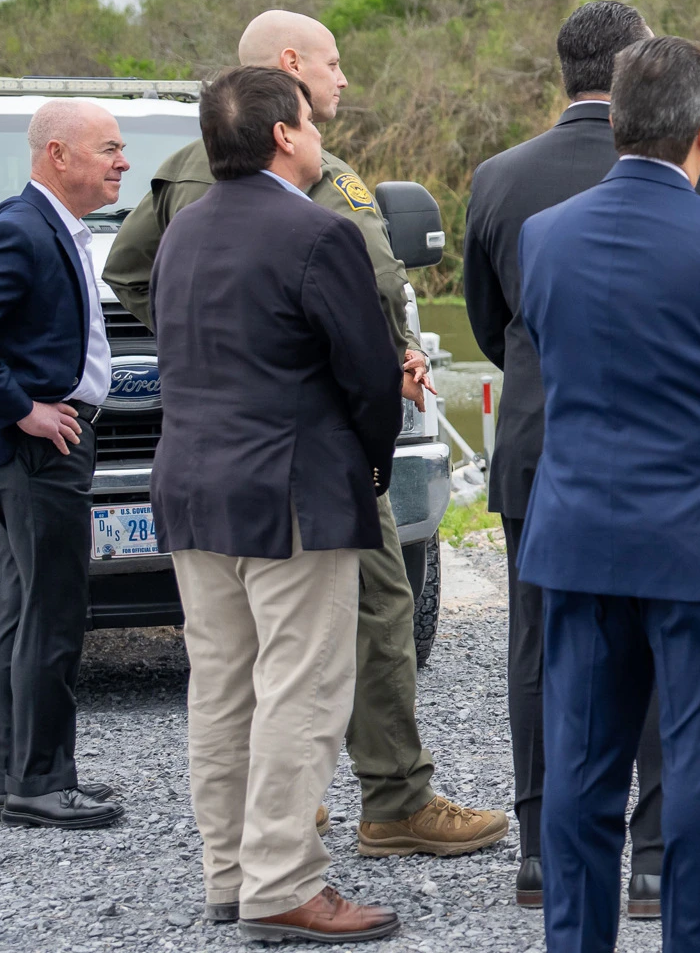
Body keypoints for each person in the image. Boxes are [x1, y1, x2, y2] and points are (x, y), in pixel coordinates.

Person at [104, 11, 505, 860]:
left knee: (235, 661)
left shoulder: (184, 173)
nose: (343, 80)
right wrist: (348, 386)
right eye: (331, 65)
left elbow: (132, 270)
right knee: (355, 625)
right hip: (313, 453)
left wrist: (215, 345)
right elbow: (357, 306)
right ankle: (383, 804)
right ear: (290, 85)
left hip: (215, 457)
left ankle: (266, 833)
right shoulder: (303, 181)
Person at [516, 36, 700, 953]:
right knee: (698, 781)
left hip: (578, 533)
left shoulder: (545, 235)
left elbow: (547, 355)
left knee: (579, 773)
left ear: (614, 123)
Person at [463, 0, 700, 914]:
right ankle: (655, 858)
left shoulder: (498, 178)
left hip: (542, 446)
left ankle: (544, 853)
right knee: (665, 653)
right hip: (670, 458)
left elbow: (492, 326)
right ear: (636, 70)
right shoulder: (696, 171)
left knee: (542, 647)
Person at [151, 67, 402, 942]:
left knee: (221, 687)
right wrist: (371, 467)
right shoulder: (317, 232)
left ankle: (230, 873)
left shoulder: (178, 233)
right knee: (301, 688)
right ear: (287, 135)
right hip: (292, 489)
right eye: (310, 119)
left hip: (191, 484)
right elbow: (369, 375)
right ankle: (284, 883)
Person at [0, 99, 128, 831]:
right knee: (50, 614)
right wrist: (22, 409)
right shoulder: (20, 229)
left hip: (39, 449)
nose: (121, 162)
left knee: (19, 613)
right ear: (58, 155)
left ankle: (17, 779)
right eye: (108, 148)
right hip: (37, 448)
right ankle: (41, 783)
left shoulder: (52, 227)